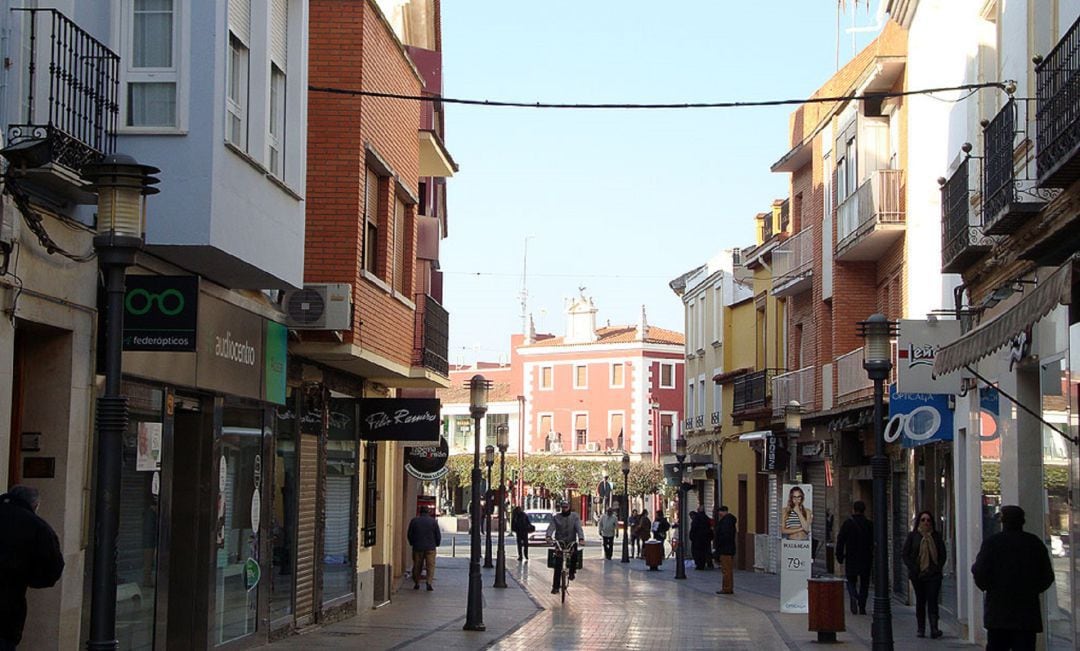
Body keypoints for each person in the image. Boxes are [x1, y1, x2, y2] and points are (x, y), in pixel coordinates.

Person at [971, 505, 1055, 651]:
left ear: (1003, 521)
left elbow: (979, 571)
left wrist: (988, 588)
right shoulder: (1033, 543)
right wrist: (1032, 590)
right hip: (1026, 613)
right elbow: (1047, 576)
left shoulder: (993, 543)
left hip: (998, 612)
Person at [0, 485, 65, 650]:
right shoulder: (37, 527)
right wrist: (28, 577)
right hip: (6, 611)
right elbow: (52, 569)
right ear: (35, 505)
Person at [901, 510, 947, 638]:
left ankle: (934, 628)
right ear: (919, 522)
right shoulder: (913, 536)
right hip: (918, 575)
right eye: (923, 520)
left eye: (928, 520)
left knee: (932, 601)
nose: (926, 522)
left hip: (933, 575)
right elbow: (905, 554)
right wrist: (914, 568)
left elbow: (942, 555)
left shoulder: (936, 537)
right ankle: (921, 628)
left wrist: (937, 568)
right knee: (921, 601)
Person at [836, 500, 873, 615]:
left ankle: (853, 595)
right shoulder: (869, 524)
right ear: (864, 510)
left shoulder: (848, 523)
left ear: (854, 509)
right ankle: (862, 606)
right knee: (864, 583)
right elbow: (873, 541)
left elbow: (840, 540)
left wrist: (839, 555)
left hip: (851, 557)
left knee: (851, 580)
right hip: (865, 558)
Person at [546, 500, 585, 594]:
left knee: (574, 554)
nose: (564, 509)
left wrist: (581, 538)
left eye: (566, 507)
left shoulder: (574, 517)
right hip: (560, 542)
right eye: (563, 507)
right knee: (558, 564)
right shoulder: (556, 518)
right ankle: (555, 587)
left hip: (571, 541)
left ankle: (572, 573)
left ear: (569, 507)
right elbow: (551, 527)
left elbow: (578, 528)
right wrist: (548, 536)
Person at [406, 506, 441, 591]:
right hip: (430, 547)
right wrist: (436, 544)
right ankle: (429, 583)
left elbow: (409, 534)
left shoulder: (414, 521)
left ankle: (417, 583)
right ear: (428, 512)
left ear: (420, 512)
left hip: (418, 547)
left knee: (417, 565)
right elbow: (438, 535)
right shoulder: (433, 522)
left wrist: (412, 543)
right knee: (430, 566)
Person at [713, 505, 737, 594]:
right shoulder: (728, 521)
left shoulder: (726, 522)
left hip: (725, 549)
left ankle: (727, 588)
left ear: (724, 512)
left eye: (720, 512)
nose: (719, 514)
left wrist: (719, 546)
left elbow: (724, 536)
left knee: (726, 570)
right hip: (728, 548)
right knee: (727, 569)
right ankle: (727, 587)